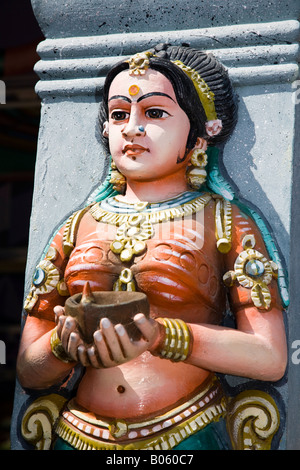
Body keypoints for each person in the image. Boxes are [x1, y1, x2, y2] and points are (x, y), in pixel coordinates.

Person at [16, 44, 287, 450]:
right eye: (119, 114)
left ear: (200, 132)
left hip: (186, 432)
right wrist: (61, 346)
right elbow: (26, 370)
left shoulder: (225, 221)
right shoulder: (77, 227)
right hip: (76, 434)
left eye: (155, 112)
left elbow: (269, 356)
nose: (132, 128)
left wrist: (162, 337)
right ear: (105, 129)